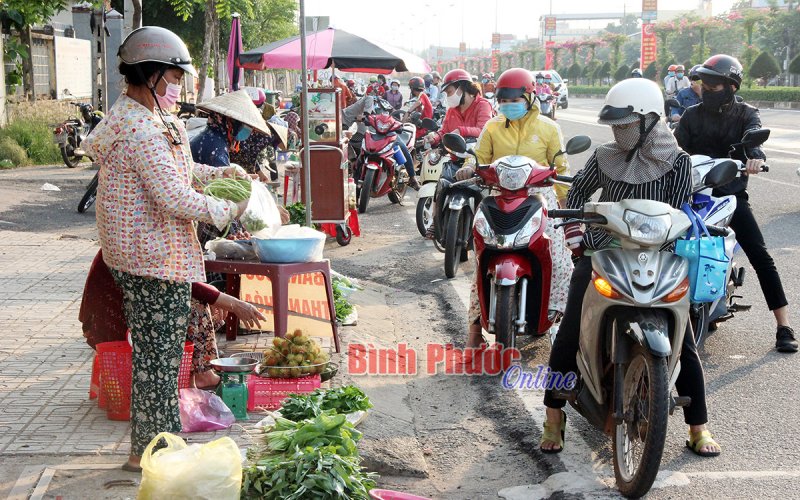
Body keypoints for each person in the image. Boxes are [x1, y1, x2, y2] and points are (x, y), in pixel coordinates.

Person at [81, 26, 252, 472]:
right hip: (151, 261)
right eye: (173, 77)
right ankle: (150, 453)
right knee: (159, 361)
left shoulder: (150, 119)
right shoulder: (138, 128)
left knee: (159, 357)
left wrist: (217, 173)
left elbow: (177, 168)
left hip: (146, 256)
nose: (177, 85)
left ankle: (155, 446)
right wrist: (225, 208)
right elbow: (172, 197)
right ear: (150, 73)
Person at [540, 78, 722, 458]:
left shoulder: (678, 162)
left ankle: (698, 426)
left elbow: (677, 214)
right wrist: (578, 234)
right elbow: (576, 195)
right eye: (615, 126)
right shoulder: (605, 156)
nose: (618, 132)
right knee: (571, 329)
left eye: (625, 125)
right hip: (603, 252)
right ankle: (553, 417)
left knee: (685, 342)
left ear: (649, 121)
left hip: (659, 257)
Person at [675, 54, 796, 353]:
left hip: (730, 194)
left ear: (731, 86)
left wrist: (755, 159)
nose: (707, 89)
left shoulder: (746, 114)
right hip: (693, 195)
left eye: (714, 85)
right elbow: (675, 149)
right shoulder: (691, 115)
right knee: (664, 245)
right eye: (705, 83)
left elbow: (753, 142)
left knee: (759, 253)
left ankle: (784, 325)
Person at [453, 68, 573, 349]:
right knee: (482, 260)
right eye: (503, 99)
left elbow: (561, 168)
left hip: (540, 199)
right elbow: (478, 158)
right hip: (499, 197)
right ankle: (473, 329)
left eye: (514, 98)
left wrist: (566, 205)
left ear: (530, 97)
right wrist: (468, 168)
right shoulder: (493, 127)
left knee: (561, 261)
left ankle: (562, 323)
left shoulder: (548, 128)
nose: (508, 104)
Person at [79, 249, 267, 390]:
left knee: (210, 303)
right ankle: (203, 374)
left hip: (122, 313)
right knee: (195, 306)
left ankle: (196, 370)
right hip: (113, 327)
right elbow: (183, 284)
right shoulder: (144, 240)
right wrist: (234, 303)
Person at [189, 90, 274, 248]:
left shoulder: (214, 138)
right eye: (244, 126)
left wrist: (248, 180)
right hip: (205, 215)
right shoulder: (215, 145)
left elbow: (222, 175)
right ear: (230, 122)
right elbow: (224, 191)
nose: (247, 131)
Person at [422, 68, 494, 238]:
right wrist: (435, 136)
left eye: (450, 91)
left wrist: (461, 130)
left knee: (488, 194)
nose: (448, 96)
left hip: (478, 160)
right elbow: (445, 131)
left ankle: (486, 226)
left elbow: (485, 130)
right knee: (441, 186)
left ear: (462, 88)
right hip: (456, 159)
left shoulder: (482, 105)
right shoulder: (451, 110)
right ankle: (435, 220)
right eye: (446, 92)